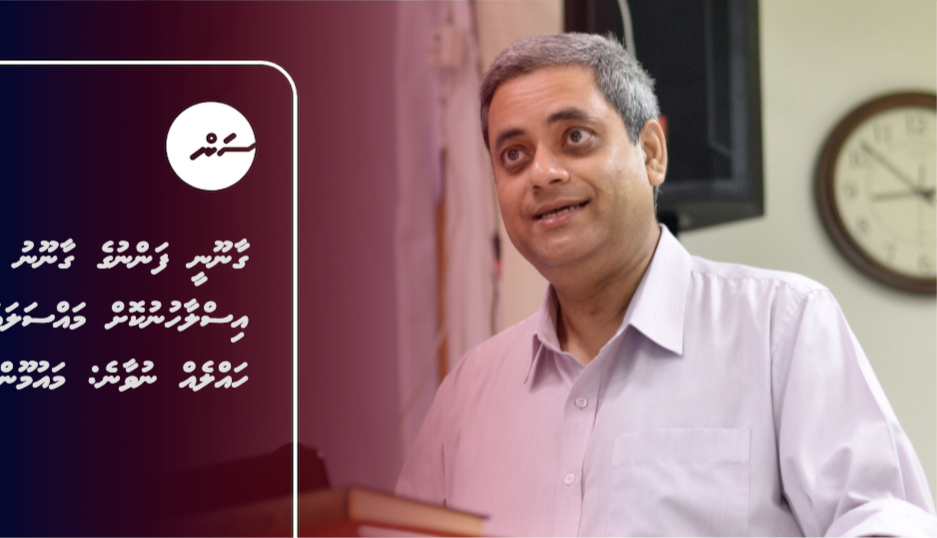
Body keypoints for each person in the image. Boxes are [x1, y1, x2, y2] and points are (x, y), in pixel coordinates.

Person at [396, 33, 937, 537]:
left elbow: (882, 517)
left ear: (652, 152)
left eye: (575, 138)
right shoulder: (468, 391)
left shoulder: (783, 325)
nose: (542, 173)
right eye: (514, 155)